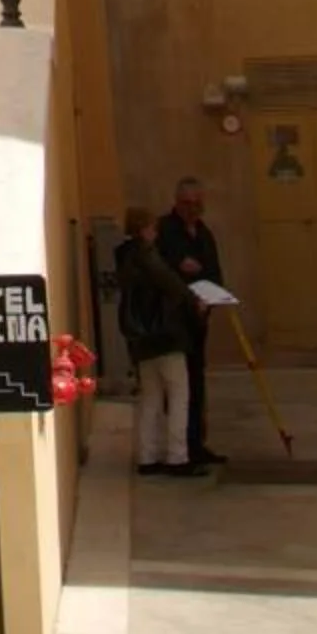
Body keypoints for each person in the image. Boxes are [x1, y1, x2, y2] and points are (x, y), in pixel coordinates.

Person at [114, 205, 205, 478]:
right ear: (144, 229)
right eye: (153, 228)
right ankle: (178, 457)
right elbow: (170, 284)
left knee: (151, 398)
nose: (155, 233)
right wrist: (194, 301)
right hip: (165, 335)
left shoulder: (123, 256)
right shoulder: (147, 255)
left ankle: (147, 456)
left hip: (141, 339)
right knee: (179, 395)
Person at [156, 175, 226, 467]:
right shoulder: (165, 231)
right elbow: (161, 273)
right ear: (176, 202)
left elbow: (214, 271)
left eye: (197, 204)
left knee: (196, 382)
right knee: (177, 387)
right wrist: (182, 270)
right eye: (186, 203)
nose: (192, 209)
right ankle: (179, 448)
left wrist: (210, 298)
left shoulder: (204, 233)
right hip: (174, 322)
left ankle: (197, 443)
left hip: (198, 321)